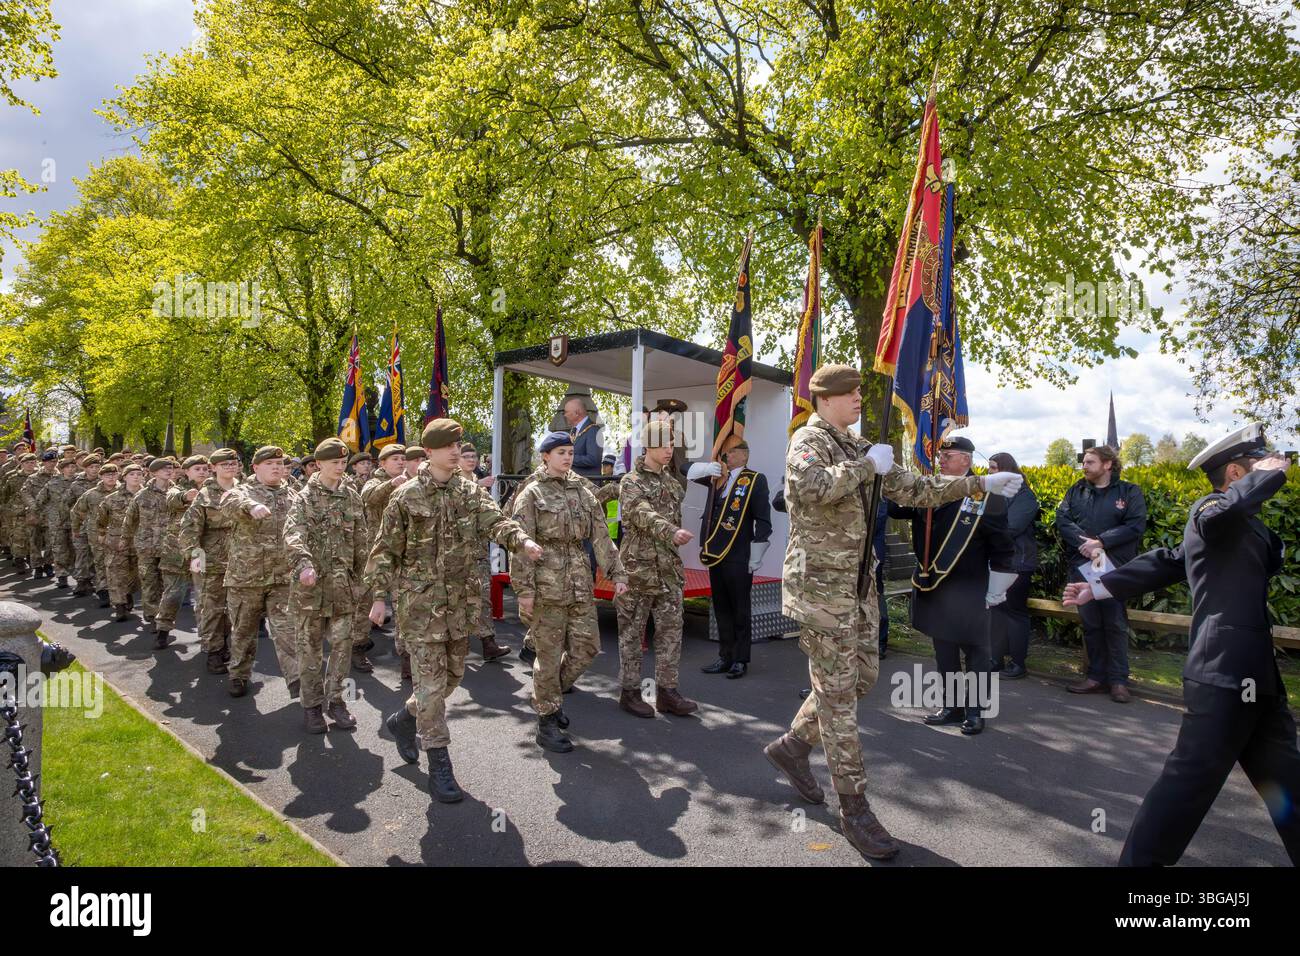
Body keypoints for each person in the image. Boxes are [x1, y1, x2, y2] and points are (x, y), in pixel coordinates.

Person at [762, 364, 1023, 861]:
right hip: (821, 590)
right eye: (853, 393)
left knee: (858, 680)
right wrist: (867, 468)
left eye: (861, 392)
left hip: (859, 587)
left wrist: (980, 486)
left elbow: (919, 490)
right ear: (828, 399)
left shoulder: (862, 448)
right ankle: (854, 808)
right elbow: (811, 488)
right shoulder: (808, 440)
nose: (861, 398)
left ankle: (793, 747)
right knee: (839, 697)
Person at [1064, 424, 1299, 865]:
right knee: (1185, 788)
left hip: (1257, 678)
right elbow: (1213, 520)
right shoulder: (1211, 508)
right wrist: (1268, 476)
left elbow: (1171, 561)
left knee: (1290, 784)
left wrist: (1100, 587)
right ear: (1236, 473)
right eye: (1259, 464)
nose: (1276, 468)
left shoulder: (1246, 525)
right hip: (1224, 676)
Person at [366, 419, 541, 801]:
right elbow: (384, 552)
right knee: (430, 687)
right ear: (429, 452)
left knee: (451, 679)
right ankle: (439, 765)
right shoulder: (406, 496)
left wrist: (522, 540)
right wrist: (379, 598)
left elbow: (496, 521)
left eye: (459, 445)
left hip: (461, 605)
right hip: (420, 607)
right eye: (448, 446)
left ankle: (403, 720)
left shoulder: (468, 492)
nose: (456, 451)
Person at [889, 436, 1016, 736]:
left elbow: (1001, 544)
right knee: (943, 651)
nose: (942, 459)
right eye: (942, 455)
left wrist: (997, 588)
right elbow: (898, 510)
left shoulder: (987, 494)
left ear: (967, 461)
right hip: (935, 585)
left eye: (951, 455)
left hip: (970, 587)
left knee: (976, 653)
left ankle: (976, 711)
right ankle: (951, 706)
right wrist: (885, 477)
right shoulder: (929, 488)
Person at [511, 431, 627, 751]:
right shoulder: (532, 493)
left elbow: (602, 536)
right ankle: (547, 721)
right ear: (545, 456)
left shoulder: (582, 491)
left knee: (587, 647)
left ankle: (547, 696)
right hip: (546, 585)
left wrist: (616, 573)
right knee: (547, 657)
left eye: (570, 452)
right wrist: (523, 589)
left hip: (578, 581)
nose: (567, 457)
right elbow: (520, 543)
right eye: (560, 452)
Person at [614, 419, 699, 719]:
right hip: (638, 571)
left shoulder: (673, 484)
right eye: (663, 445)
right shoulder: (631, 481)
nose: (669, 450)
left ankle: (667, 692)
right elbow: (641, 514)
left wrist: (673, 539)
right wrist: (670, 531)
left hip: (668, 571)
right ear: (648, 446)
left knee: (671, 632)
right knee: (632, 634)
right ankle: (630, 692)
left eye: (671, 445)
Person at [284, 437, 367, 734]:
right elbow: (293, 534)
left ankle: (337, 701)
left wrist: (363, 576)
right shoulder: (303, 498)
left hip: (343, 587)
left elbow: (360, 539)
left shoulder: (352, 495)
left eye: (343, 462)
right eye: (334, 462)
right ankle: (311, 706)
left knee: (343, 647)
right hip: (311, 590)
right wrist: (304, 564)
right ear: (318, 464)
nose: (340, 467)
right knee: (309, 651)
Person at [1056, 444, 1147, 702]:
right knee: (1091, 623)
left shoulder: (1129, 492)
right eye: (1084, 462)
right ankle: (1095, 677)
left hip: (1113, 567)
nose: (1084, 466)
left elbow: (1135, 525)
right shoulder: (1076, 490)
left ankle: (1118, 681)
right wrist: (1085, 544)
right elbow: (1062, 519)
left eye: (1090, 462)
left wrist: (1101, 543)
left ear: (1107, 464)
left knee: (1115, 623)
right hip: (1082, 564)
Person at [222, 446, 301, 698]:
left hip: (283, 577)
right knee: (243, 631)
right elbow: (229, 501)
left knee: (288, 631)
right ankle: (238, 675)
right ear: (255, 468)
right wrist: (250, 506)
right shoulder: (243, 491)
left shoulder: (294, 494)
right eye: (269, 463)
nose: (276, 467)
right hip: (247, 578)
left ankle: (298, 680)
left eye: (279, 463)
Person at [697, 439, 771, 679]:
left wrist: (757, 552)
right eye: (725, 453)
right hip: (716, 551)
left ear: (744, 455)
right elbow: (684, 470)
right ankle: (725, 655)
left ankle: (740, 659)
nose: (726, 456)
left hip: (739, 554)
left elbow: (763, 519)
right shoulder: (718, 478)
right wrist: (706, 469)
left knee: (740, 608)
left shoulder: (755, 480)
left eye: (730, 452)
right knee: (721, 607)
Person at [178, 448, 242, 674]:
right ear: (213, 468)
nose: (230, 467)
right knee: (212, 608)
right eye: (224, 464)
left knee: (236, 610)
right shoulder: (205, 495)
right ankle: (214, 651)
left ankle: (227, 645)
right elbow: (188, 529)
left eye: (233, 463)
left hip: (243, 561)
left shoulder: (246, 491)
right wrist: (195, 557)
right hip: (211, 561)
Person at [987, 452, 1039, 678]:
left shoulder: (1025, 496)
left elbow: (1013, 527)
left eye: (993, 467)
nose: (989, 472)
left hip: (1017, 562)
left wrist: (986, 531)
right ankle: (995, 659)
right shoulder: (993, 493)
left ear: (1007, 469)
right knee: (996, 612)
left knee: (1015, 613)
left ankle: (1018, 663)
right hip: (996, 561)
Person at [361, 443, 410, 679]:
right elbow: (368, 497)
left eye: (403, 458)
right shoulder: (374, 481)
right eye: (395, 459)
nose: (400, 462)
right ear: (382, 463)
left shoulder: (410, 480)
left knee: (402, 604)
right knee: (365, 604)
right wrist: (391, 484)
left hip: (403, 553)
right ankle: (357, 646)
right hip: (377, 554)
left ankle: (407, 657)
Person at [459, 441, 510, 661]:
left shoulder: (477, 481)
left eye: (474, 457)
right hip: (456, 552)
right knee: (458, 599)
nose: (471, 460)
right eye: (467, 456)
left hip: (478, 549)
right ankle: (457, 645)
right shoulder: (452, 482)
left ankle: (488, 643)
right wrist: (479, 485)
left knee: (483, 596)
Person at [125, 457, 175, 632]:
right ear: (153, 473)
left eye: (170, 468)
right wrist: (125, 540)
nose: (168, 471)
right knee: (149, 582)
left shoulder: (177, 493)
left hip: (170, 547)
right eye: (163, 469)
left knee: (168, 584)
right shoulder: (142, 495)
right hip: (146, 546)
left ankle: (164, 616)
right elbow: (130, 520)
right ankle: (153, 615)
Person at [96, 463, 144, 621]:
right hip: (117, 542)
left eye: (139, 474)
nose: (136, 477)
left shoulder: (148, 496)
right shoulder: (112, 498)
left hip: (142, 541)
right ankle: (120, 606)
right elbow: (101, 518)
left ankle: (128, 594)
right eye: (132, 474)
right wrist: (102, 534)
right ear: (124, 477)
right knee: (116, 574)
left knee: (135, 575)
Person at [562, 395, 604, 479]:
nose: (565, 415)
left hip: (588, 485)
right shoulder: (574, 431)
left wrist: (568, 458)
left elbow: (593, 459)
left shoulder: (593, 430)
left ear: (577, 413)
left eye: (566, 412)